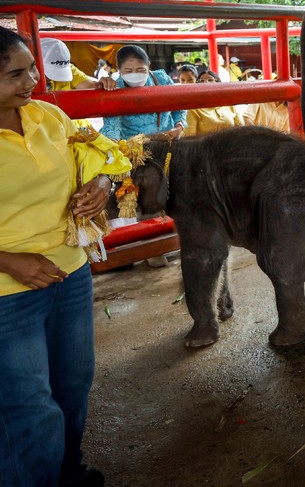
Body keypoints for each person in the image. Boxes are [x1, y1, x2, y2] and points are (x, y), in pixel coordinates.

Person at [0, 27, 117, 487]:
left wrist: (102, 186)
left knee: (72, 388)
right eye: (16, 74)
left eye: (31, 68)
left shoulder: (48, 116)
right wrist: (8, 261)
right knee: (27, 405)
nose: (32, 80)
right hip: (9, 291)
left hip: (70, 272)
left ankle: (67, 472)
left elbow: (98, 157)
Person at [99, 45, 186, 141]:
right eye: (128, 71)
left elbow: (178, 104)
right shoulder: (115, 88)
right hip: (133, 147)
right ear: (118, 69)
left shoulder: (162, 79)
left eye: (140, 70)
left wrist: (179, 126)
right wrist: (113, 148)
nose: (135, 74)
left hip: (166, 141)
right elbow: (112, 125)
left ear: (148, 65)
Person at [41, 38, 116, 92]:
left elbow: (90, 86)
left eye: (58, 71)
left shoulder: (70, 70)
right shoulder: (29, 83)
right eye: (48, 72)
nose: (51, 78)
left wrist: (102, 84)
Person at [183, 70, 245, 136]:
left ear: (218, 83)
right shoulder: (193, 109)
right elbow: (189, 137)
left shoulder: (228, 104)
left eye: (210, 80)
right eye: (201, 81)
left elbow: (241, 128)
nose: (205, 83)